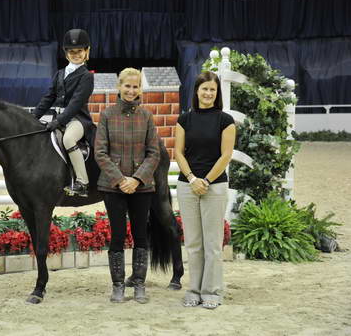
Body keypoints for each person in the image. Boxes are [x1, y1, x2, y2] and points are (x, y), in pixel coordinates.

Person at [94, 68, 160, 303]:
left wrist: (137, 179)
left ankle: (139, 284)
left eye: (135, 86)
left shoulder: (147, 116)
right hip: (114, 187)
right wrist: (121, 179)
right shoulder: (107, 115)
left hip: (141, 187)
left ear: (140, 89)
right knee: (118, 235)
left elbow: (154, 153)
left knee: (141, 235)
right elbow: (100, 153)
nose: (131, 91)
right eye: (127, 86)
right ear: (119, 87)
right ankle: (118, 285)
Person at [174, 71, 236, 310]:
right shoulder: (184, 120)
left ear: (217, 92)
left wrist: (206, 181)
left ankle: (212, 291)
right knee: (193, 243)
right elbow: (178, 152)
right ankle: (194, 289)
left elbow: (226, 155)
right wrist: (191, 178)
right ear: (196, 91)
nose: (208, 93)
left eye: (212, 89)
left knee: (212, 243)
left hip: (215, 185)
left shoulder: (225, 120)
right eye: (204, 89)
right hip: (187, 185)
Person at [33, 29, 94, 197]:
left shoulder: (87, 76)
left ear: (86, 51)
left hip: (78, 120)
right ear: (66, 53)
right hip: (58, 119)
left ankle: (82, 182)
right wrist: (32, 118)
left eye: (79, 51)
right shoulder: (59, 74)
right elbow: (48, 98)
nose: (75, 55)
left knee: (68, 139)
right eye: (72, 51)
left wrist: (58, 121)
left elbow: (75, 104)